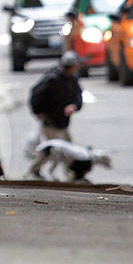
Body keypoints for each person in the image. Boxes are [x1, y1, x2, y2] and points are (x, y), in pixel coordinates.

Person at [26, 51, 85, 179]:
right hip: (51, 122)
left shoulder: (72, 79)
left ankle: (71, 173)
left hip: (63, 122)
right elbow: (36, 95)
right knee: (53, 151)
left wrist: (74, 106)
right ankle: (35, 169)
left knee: (69, 149)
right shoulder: (51, 80)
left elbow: (78, 96)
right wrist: (38, 111)